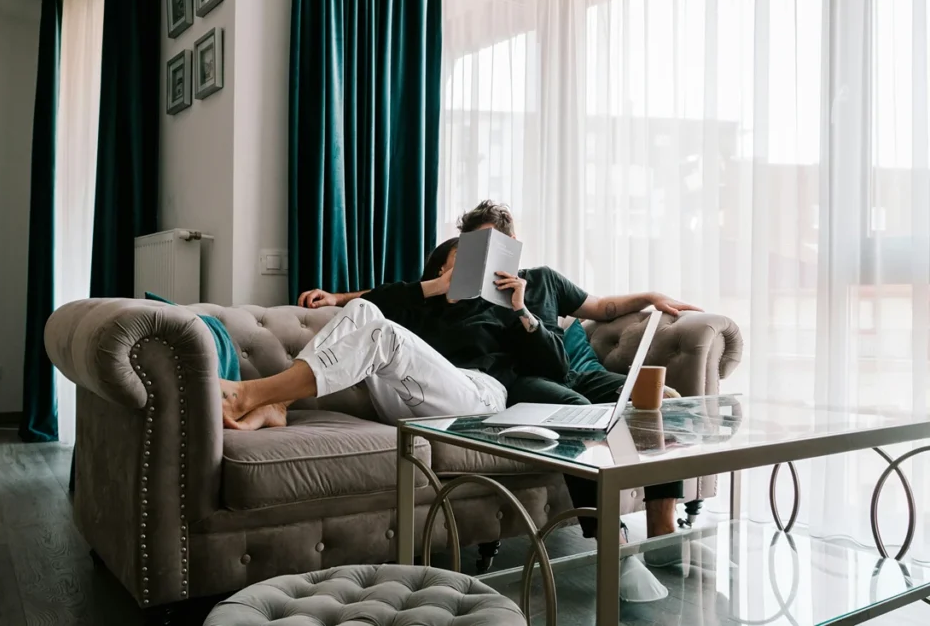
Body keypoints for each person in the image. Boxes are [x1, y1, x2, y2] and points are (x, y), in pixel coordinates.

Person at [296, 201, 708, 598]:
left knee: (657, 405)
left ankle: (663, 529)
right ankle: (613, 542)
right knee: (580, 415)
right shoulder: (470, 296)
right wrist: (338, 298)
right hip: (528, 381)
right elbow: (398, 296)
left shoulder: (543, 279)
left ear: (511, 246)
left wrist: (651, 296)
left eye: (495, 246)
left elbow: (603, 307)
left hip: (577, 372)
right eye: (475, 247)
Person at [220, 238, 568, 431]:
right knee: (363, 310)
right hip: (409, 400)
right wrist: (434, 288)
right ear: (442, 267)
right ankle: (278, 403)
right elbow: (377, 299)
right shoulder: (419, 305)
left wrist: (521, 308)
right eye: (463, 259)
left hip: (478, 400)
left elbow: (557, 366)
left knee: (384, 334)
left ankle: (251, 394)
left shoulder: (498, 309)